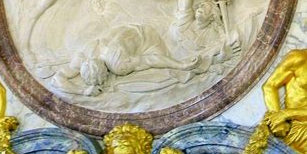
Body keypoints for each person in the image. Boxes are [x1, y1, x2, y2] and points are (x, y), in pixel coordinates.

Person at [50, 23, 199, 96]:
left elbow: (151, 60)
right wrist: (83, 90)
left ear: (106, 74)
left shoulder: (118, 65)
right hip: (128, 28)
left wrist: (180, 65)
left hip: (147, 37)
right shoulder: (85, 55)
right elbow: (57, 79)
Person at [169, 0, 240, 71]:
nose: (200, 7)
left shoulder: (212, 36)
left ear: (212, 17)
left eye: (205, 7)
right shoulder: (185, 20)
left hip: (181, 66)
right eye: (200, 5)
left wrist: (220, 58)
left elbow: (209, 58)